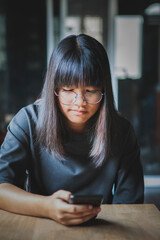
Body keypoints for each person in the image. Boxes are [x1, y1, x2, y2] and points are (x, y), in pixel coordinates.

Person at [0, 34, 144, 226]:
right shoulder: (27, 121)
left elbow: (130, 206)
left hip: (102, 227)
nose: (80, 103)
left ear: (104, 90)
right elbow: (2, 186)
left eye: (91, 91)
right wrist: (47, 207)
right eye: (68, 90)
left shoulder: (121, 131)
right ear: (54, 89)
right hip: (39, 226)